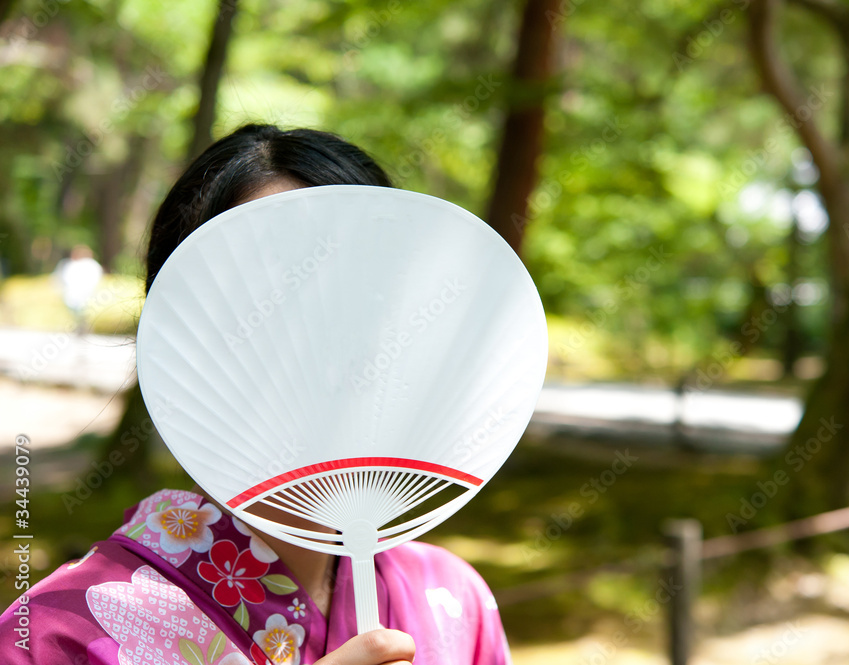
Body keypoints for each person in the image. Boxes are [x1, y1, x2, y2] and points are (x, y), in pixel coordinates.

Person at [0, 125, 513, 665]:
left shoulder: (452, 601)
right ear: (177, 342)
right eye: (277, 298)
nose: (325, 340)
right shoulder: (55, 636)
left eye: (362, 296)